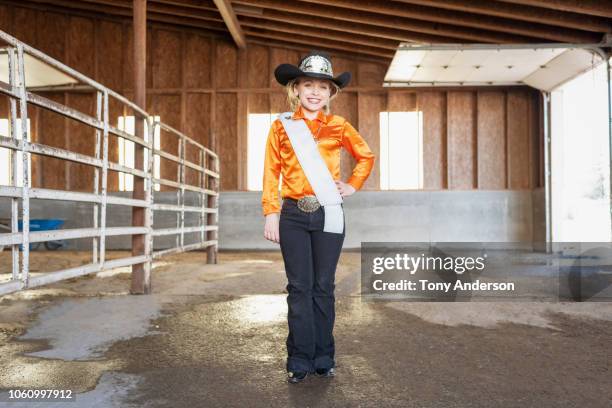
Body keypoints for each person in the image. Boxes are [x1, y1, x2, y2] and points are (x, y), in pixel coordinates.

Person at [262, 50, 375, 384]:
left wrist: (352, 184)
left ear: (330, 93)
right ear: (295, 88)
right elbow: (271, 171)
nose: (314, 92)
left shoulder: (339, 126)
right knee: (299, 288)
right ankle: (299, 358)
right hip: (293, 214)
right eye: (307, 84)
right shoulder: (282, 127)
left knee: (323, 286)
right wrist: (271, 212)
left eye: (322, 87)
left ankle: (324, 356)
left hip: (329, 212)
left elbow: (365, 157)